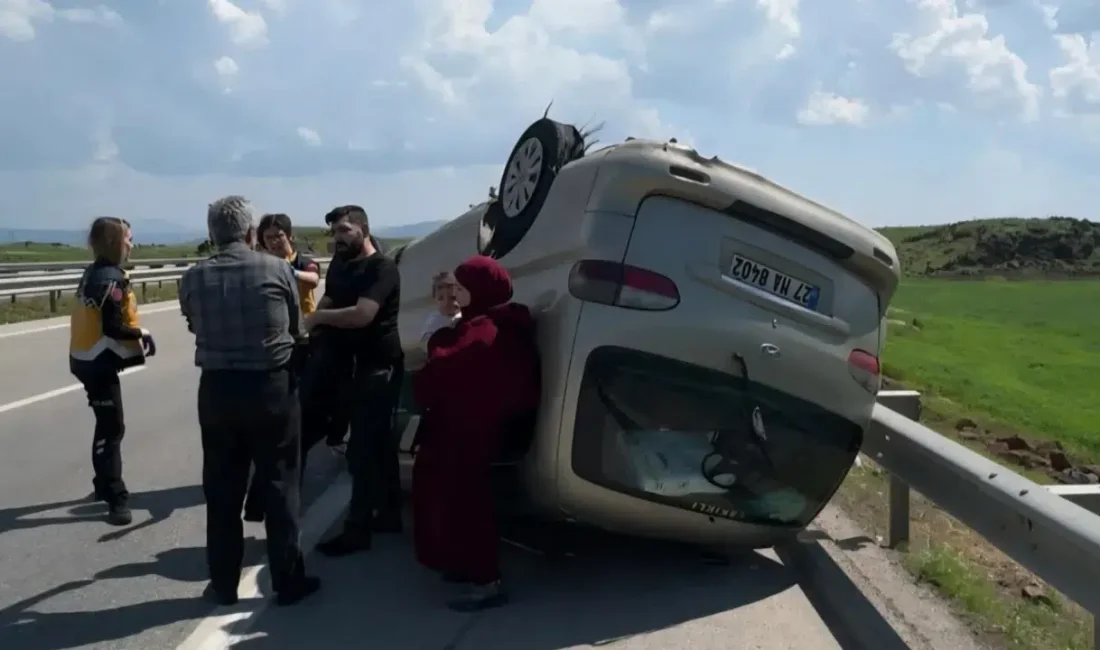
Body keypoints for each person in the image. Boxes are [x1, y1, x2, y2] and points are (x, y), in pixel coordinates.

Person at [179, 195, 320, 607]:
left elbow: (192, 323)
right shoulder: (278, 269)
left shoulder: (192, 277)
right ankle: (288, 580)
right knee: (279, 484)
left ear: (211, 234)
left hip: (218, 389)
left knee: (222, 491)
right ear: (249, 231)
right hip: (270, 387)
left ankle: (223, 584)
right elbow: (295, 328)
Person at [412, 255, 541, 612]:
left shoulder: (484, 333)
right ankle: (466, 567)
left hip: (469, 437)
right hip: (474, 431)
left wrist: (438, 340)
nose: (456, 294)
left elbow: (442, 371)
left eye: (462, 288)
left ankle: (485, 581)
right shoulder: (497, 321)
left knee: (467, 506)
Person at [308, 204, 404, 557]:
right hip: (351, 367)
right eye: (334, 232)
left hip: (379, 367)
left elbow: (363, 314)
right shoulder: (341, 264)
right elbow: (333, 295)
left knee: (363, 451)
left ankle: (357, 529)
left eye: (345, 230)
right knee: (377, 446)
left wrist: (321, 317)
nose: (338, 237)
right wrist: (316, 318)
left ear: (363, 228)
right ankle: (389, 514)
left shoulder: (382, 268)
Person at [69, 217, 157, 526]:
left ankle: (102, 483)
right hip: (97, 363)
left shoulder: (94, 271)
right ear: (113, 242)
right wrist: (142, 334)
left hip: (83, 359)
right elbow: (114, 326)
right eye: (128, 239)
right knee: (112, 428)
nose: (132, 244)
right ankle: (116, 497)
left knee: (106, 424)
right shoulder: (111, 279)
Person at [243, 213, 322, 523]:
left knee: (298, 420)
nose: (275, 241)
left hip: (303, 343)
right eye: (268, 237)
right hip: (273, 345)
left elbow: (313, 279)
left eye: (279, 235)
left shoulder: (302, 261)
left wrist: (283, 269)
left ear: (289, 236)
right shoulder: (260, 264)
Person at [419, 271, 461, 346]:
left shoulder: (465, 315)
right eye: (441, 299)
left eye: (452, 298)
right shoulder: (434, 321)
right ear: (435, 299)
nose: (446, 303)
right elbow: (425, 344)